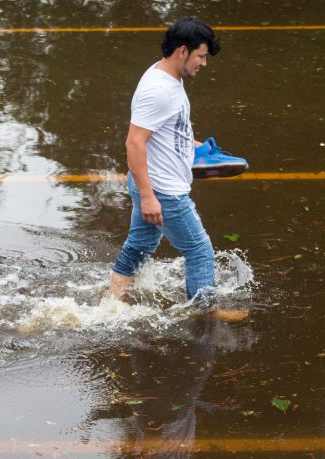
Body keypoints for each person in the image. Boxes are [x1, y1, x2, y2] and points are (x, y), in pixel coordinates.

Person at [106, 17, 245, 322]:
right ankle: (205, 315)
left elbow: (167, 130)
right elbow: (134, 143)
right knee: (200, 250)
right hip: (163, 190)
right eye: (201, 56)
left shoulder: (168, 78)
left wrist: (195, 147)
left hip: (154, 183)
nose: (204, 63)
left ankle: (111, 304)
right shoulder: (159, 90)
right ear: (183, 51)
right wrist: (148, 196)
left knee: (140, 245)